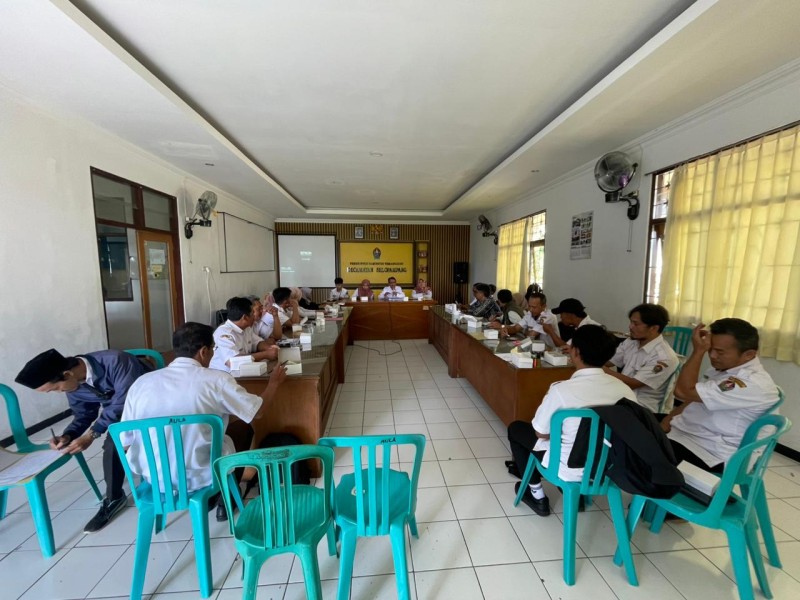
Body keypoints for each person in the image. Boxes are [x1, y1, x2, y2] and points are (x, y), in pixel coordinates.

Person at [120, 322, 288, 521]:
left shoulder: (141, 384)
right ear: (203, 351)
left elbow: (125, 441)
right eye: (213, 349)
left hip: (155, 478)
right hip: (201, 475)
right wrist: (274, 383)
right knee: (243, 427)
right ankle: (225, 499)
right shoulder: (217, 380)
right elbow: (257, 412)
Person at [15, 348, 152, 533]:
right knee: (115, 440)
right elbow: (83, 414)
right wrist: (68, 435)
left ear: (67, 374)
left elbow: (124, 401)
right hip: (122, 415)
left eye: (55, 389)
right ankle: (114, 498)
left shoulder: (116, 361)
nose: (58, 392)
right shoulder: (73, 384)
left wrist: (92, 434)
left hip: (151, 405)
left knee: (115, 441)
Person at [506, 325, 636, 515]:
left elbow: (540, 433)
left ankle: (536, 495)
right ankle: (579, 497)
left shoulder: (562, 390)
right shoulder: (625, 391)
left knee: (516, 429)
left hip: (569, 468)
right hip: (609, 468)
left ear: (575, 352)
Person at [661, 319, 780, 473]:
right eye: (710, 349)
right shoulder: (725, 369)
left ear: (749, 354)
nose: (712, 355)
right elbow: (694, 399)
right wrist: (667, 420)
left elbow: (683, 392)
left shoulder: (746, 383)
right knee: (634, 415)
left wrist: (698, 351)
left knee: (640, 446)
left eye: (720, 352)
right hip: (692, 435)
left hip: (714, 453)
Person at [604, 304, 680, 413]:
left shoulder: (664, 357)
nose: (630, 327)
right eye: (631, 322)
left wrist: (599, 368)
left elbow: (632, 384)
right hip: (622, 399)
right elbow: (608, 361)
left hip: (642, 410)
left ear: (654, 328)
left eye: (636, 324)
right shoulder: (631, 342)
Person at [210, 296, 279, 372]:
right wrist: (265, 354)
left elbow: (257, 342)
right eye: (252, 313)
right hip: (225, 374)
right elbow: (232, 362)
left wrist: (269, 348)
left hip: (243, 372)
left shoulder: (246, 328)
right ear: (245, 317)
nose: (254, 316)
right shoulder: (223, 333)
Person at [494, 292, 558, 347]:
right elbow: (515, 328)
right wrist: (504, 328)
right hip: (533, 347)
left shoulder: (548, 316)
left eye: (534, 307)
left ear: (543, 306)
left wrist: (523, 330)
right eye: (529, 306)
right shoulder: (530, 314)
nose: (530, 309)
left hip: (549, 351)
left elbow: (531, 336)